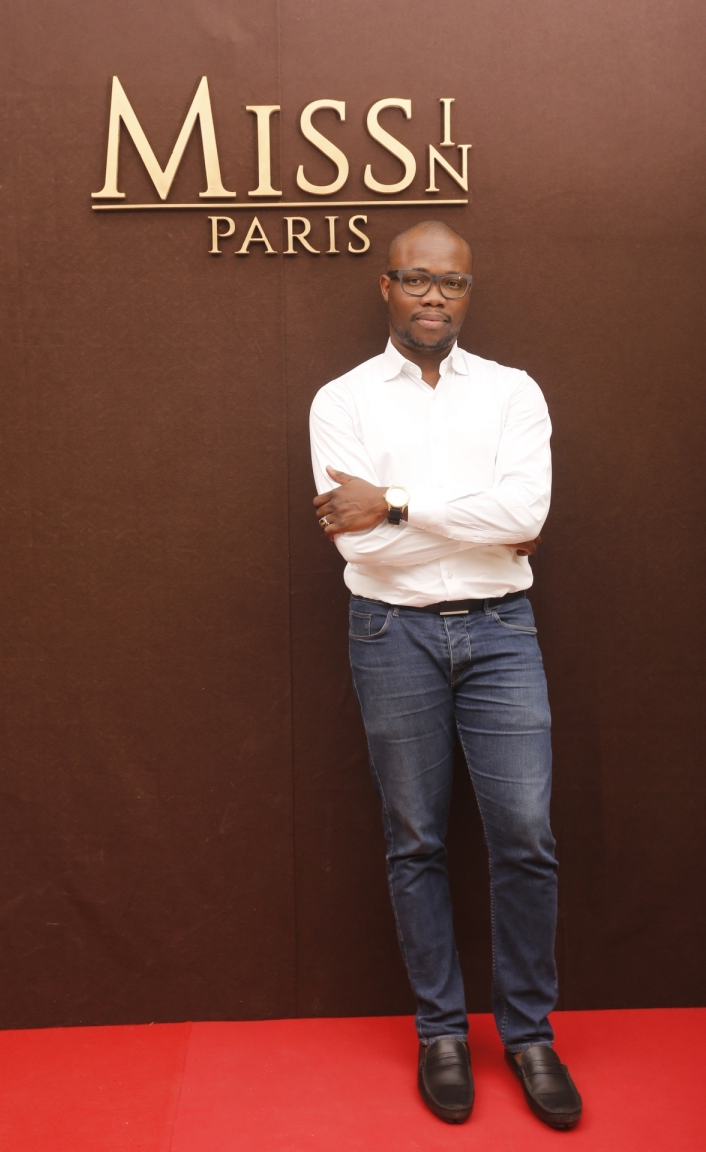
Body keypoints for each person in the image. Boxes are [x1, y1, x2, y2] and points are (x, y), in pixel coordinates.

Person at [308, 221, 582, 1130]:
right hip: (391, 632)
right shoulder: (341, 401)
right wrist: (476, 523)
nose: (435, 297)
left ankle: (530, 1035)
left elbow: (528, 516)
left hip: (501, 631)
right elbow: (358, 549)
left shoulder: (513, 392)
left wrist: (393, 502)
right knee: (416, 837)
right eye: (418, 279)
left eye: (452, 283)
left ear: (469, 291)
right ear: (386, 286)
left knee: (526, 836)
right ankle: (442, 1035)